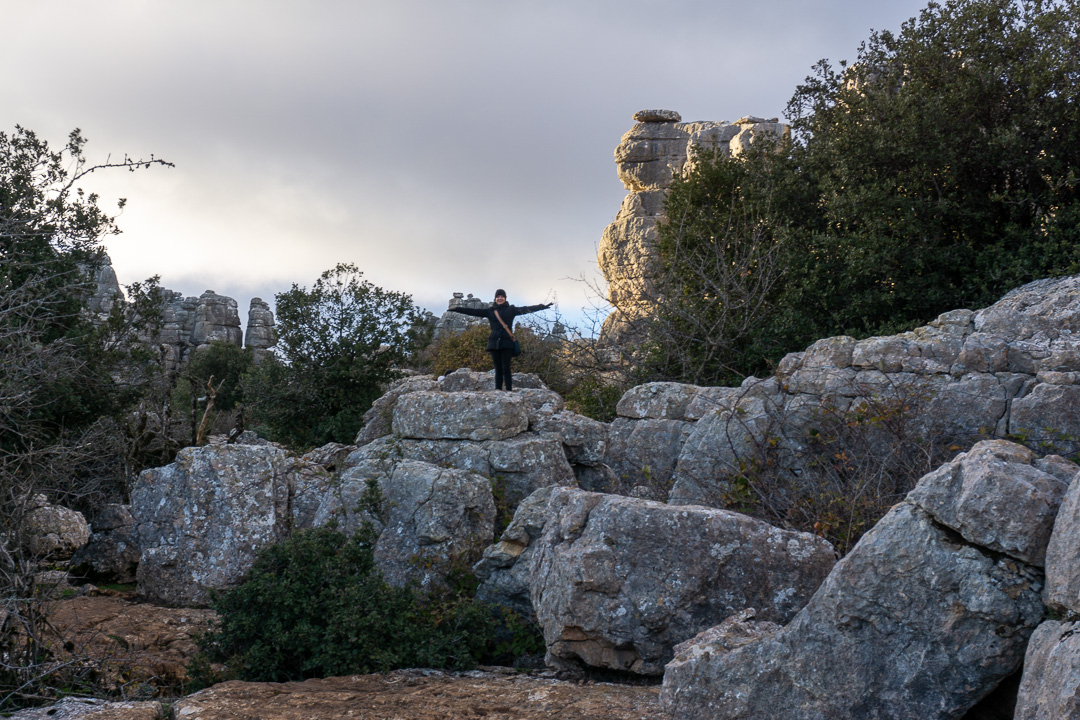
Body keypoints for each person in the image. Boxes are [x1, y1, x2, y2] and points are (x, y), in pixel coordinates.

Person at [447, 289, 552, 391]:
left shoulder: (511, 309)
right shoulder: (490, 311)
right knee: (498, 369)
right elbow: (473, 311)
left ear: (505, 298)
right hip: (494, 344)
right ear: (495, 298)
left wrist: (542, 307)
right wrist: (457, 309)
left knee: (506, 368)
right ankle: (498, 390)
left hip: (507, 343)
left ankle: (509, 390)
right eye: (498, 297)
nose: (500, 298)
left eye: (502, 296)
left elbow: (526, 309)